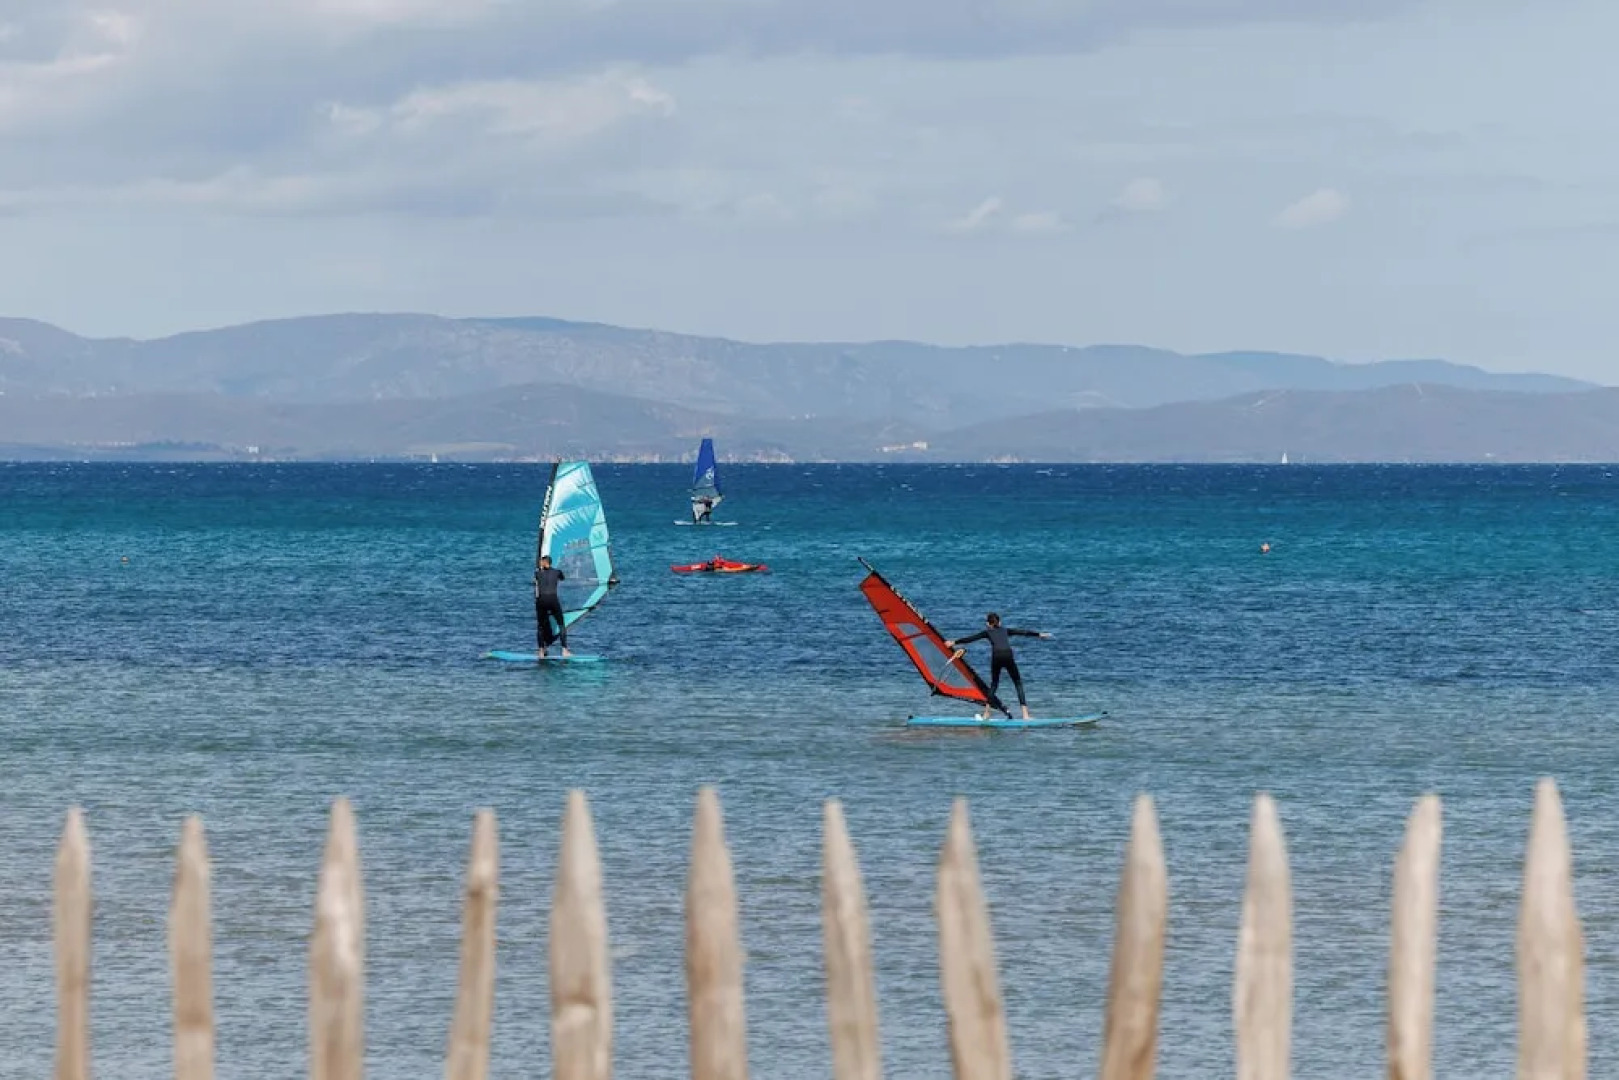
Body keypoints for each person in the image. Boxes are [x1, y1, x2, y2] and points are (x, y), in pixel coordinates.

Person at [946, 613, 1051, 720]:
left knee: (994, 684)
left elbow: (971, 639)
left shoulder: (987, 632)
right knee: (1018, 683)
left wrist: (953, 642)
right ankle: (1025, 715)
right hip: (1008, 655)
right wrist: (1039, 634)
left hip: (997, 657)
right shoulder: (1005, 630)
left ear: (988, 624)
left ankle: (986, 714)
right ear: (1000, 623)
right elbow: (1022, 632)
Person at [533, 555, 570, 658]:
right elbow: (562, 578)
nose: (540, 563)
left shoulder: (537, 573)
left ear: (544, 562)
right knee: (561, 625)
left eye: (541, 562)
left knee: (540, 626)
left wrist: (541, 570)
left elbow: (535, 581)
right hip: (553, 600)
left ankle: (541, 651)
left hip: (541, 600)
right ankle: (564, 650)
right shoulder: (557, 572)